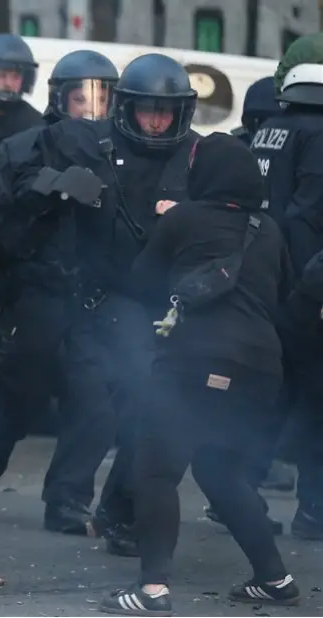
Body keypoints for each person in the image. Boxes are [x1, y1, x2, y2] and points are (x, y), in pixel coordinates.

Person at [100, 132, 300, 615]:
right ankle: (275, 578)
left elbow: (142, 280)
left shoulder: (185, 218)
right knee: (221, 469)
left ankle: (152, 591)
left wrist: (165, 224)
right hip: (258, 368)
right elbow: (285, 295)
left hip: (193, 361)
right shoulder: (268, 229)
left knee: (155, 469)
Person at [0, 49, 122, 537]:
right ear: (61, 98)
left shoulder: (121, 152)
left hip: (92, 296)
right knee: (20, 390)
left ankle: (67, 499)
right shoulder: (23, 147)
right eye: (81, 97)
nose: (91, 107)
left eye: (102, 97)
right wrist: (40, 197)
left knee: (95, 403)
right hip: (35, 289)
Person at [250, 38, 323, 540]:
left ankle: (237, 490)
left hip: (260, 282)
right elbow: (308, 216)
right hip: (302, 286)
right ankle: (314, 511)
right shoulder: (318, 136)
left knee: (267, 395)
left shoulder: (268, 131)